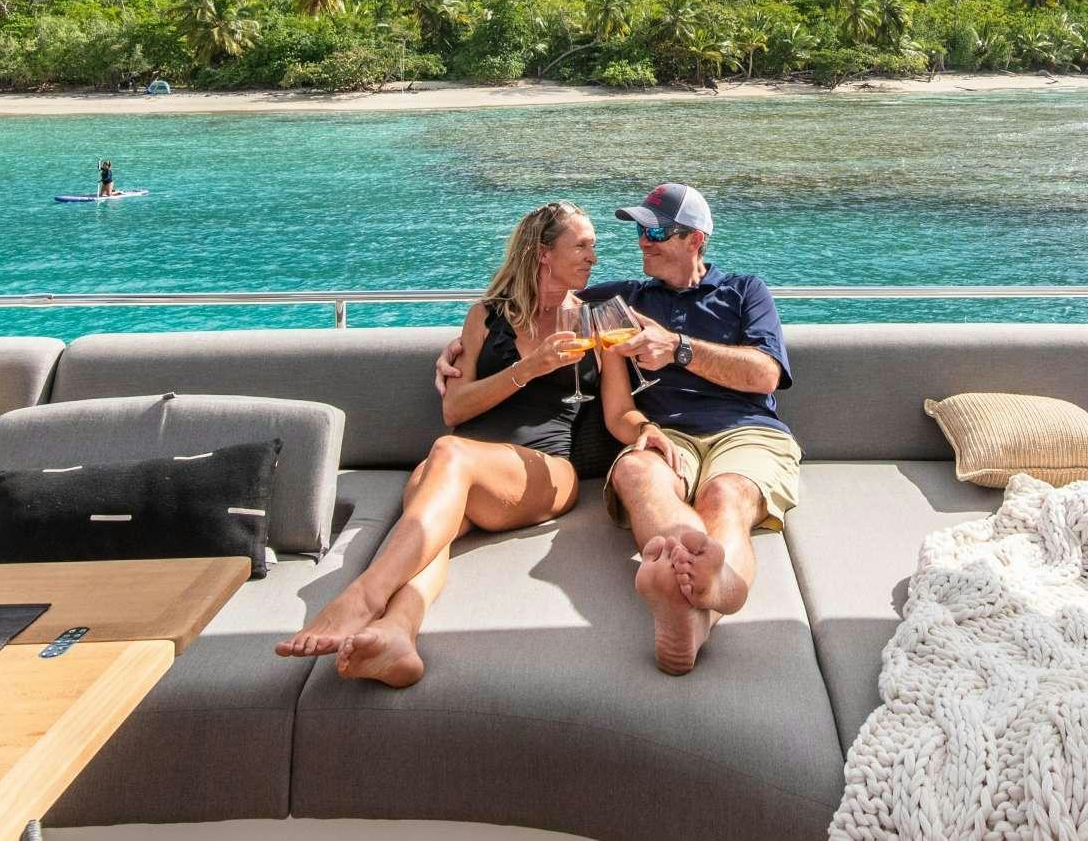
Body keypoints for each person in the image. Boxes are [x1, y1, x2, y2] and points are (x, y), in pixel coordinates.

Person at [436, 183, 801, 675]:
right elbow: (525, 304)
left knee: (726, 495)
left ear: (694, 239)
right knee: (636, 477)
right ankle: (690, 580)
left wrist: (677, 348)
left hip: (745, 429)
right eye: (638, 230)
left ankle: (710, 593)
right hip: (660, 432)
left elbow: (764, 375)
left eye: (655, 231)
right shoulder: (621, 299)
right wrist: (457, 351)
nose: (642, 241)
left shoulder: (744, 291)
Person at [277, 201, 599, 685]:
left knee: (442, 456)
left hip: (544, 468)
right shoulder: (486, 317)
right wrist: (528, 368)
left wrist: (648, 434)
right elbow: (455, 410)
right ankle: (397, 634)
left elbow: (620, 410)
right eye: (583, 245)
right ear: (542, 254)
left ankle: (362, 596)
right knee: (435, 522)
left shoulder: (592, 320)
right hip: (461, 467)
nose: (594, 256)